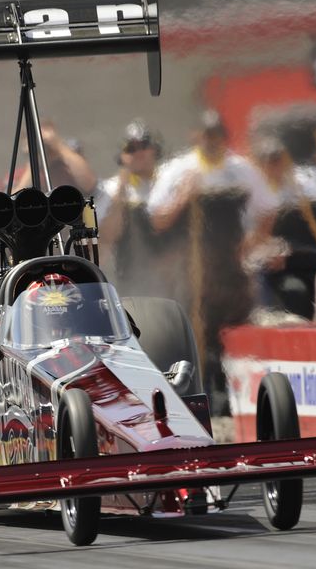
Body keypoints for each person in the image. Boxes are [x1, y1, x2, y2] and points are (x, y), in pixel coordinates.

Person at [146, 110, 276, 415]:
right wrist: (183, 195)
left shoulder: (241, 170)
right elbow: (157, 219)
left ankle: (239, 401)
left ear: (224, 137)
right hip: (191, 267)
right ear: (196, 136)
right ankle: (198, 400)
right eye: (205, 135)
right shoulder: (179, 170)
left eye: (216, 135)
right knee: (195, 333)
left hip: (230, 267)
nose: (211, 141)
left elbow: (268, 208)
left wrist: (252, 243)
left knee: (235, 332)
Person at [249, 137, 316, 320]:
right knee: (294, 293)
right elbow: (250, 239)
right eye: (268, 161)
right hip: (282, 269)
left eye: (278, 159)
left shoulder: (309, 185)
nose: (274, 166)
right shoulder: (254, 194)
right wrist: (267, 251)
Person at [94, 119, 166, 296]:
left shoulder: (169, 181)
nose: (138, 153)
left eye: (143, 145)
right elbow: (106, 238)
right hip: (130, 279)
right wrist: (121, 193)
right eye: (131, 149)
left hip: (168, 276)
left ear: (155, 149)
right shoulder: (111, 189)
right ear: (122, 156)